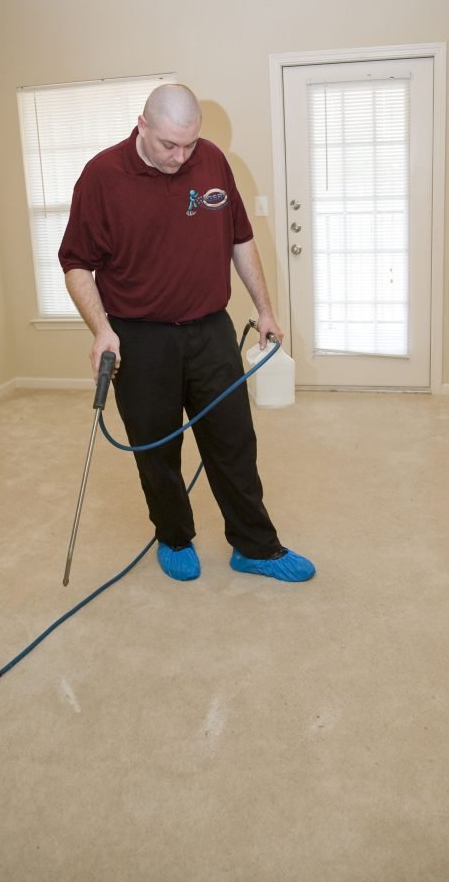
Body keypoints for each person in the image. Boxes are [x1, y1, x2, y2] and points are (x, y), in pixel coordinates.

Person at [59, 83, 315, 584]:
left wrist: (265, 309)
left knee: (234, 441)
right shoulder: (102, 176)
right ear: (142, 125)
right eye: (168, 145)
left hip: (210, 329)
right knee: (156, 450)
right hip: (139, 337)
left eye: (189, 144)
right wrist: (101, 331)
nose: (180, 157)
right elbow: (75, 264)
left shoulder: (212, 161)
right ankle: (174, 536)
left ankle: (255, 546)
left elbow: (241, 238)